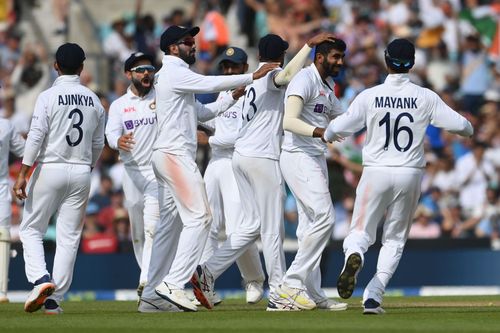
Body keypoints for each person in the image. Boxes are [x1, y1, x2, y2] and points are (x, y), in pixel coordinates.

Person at [324, 38, 473, 314]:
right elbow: (463, 127)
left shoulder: (369, 96)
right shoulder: (425, 96)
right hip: (409, 173)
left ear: (386, 60)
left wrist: (328, 133)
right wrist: (467, 128)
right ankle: (373, 295)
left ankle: (355, 254)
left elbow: (337, 129)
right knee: (393, 239)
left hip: (376, 172)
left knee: (359, 232)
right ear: (412, 63)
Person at [192, 32, 337, 311]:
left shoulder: (252, 78)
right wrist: (308, 45)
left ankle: (207, 270)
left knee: (250, 226)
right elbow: (283, 78)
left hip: (242, 157)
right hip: (262, 157)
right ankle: (280, 292)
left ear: (258, 55)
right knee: (273, 230)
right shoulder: (271, 74)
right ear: (281, 55)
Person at [144, 25, 277, 313]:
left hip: (166, 155)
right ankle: (173, 283)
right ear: (171, 47)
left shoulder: (173, 75)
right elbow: (209, 84)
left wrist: (234, 95)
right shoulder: (174, 70)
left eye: (193, 40)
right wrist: (253, 75)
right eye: (187, 42)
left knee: (171, 225)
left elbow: (202, 113)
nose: (194, 45)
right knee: (201, 218)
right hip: (175, 155)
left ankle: (152, 296)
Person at [13, 43, 105, 314]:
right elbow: (99, 143)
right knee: (69, 237)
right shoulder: (94, 99)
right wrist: (87, 168)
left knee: (30, 229)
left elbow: (37, 136)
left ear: (55, 66)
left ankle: (41, 280)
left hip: (51, 167)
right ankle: (55, 300)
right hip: (81, 170)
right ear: (82, 67)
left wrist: (22, 174)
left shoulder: (48, 96)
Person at [273, 38, 349, 311]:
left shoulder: (327, 86)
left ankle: (312, 291)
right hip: (297, 156)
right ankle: (290, 285)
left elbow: (346, 121)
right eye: (336, 57)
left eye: (342, 57)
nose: (340, 62)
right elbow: (289, 121)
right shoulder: (304, 79)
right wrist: (320, 132)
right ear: (320, 57)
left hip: (315, 158)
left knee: (309, 228)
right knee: (326, 218)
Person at [199, 46, 266, 305]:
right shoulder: (223, 92)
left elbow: (241, 135)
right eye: (225, 67)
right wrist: (203, 129)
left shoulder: (254, 93)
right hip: (215, 164)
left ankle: (253, 279)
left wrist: (211, 138)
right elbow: (214, 122)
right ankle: (206, 284)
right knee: (207, 226)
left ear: (244, 67)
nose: (229, 71)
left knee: (239, 226)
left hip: (235, 163)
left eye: (234, 67)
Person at [105, 51, 158, 299]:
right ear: (129, 74)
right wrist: (118, 141)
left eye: (149, 68)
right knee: (138, 232)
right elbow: (110, 134)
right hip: (132, 173)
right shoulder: (118, 105)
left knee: (152, 228)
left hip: (157, 172)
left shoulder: (162, 96)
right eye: (140, 69)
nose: (146, 73)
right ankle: (146, 273)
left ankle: (147, 278)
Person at [0, 118, 25, 303]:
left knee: (3, 234)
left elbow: (25, 150)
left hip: (1, 188)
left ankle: (1, 291)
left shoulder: (5, 125)